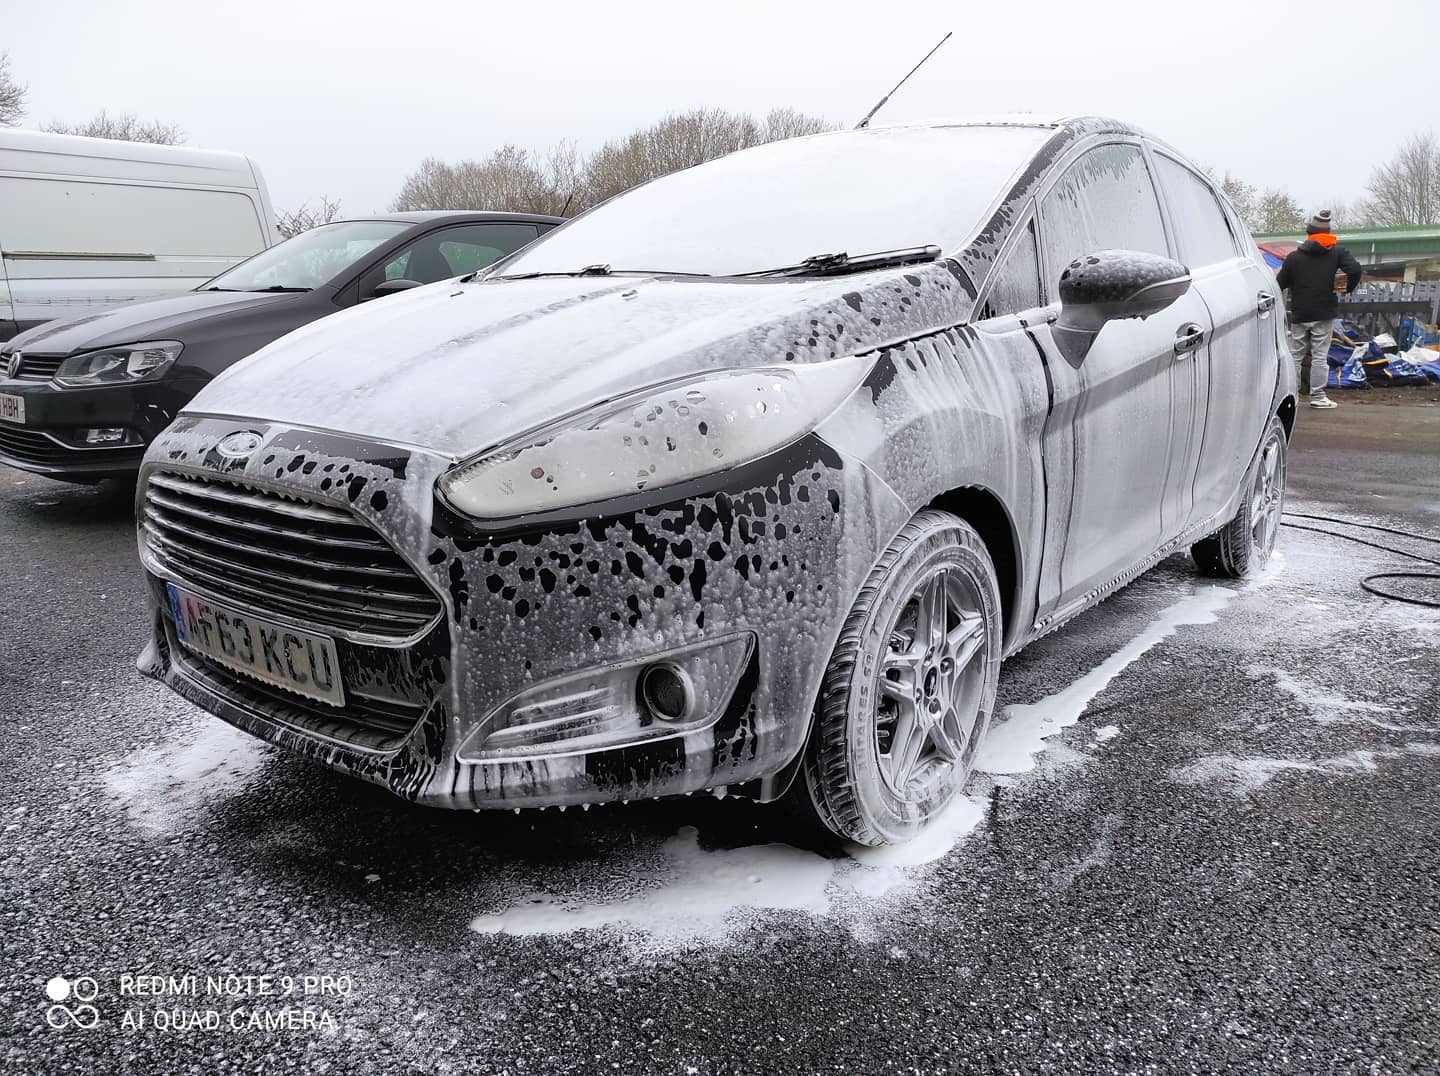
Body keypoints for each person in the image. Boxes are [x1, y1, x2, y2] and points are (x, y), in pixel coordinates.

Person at [1275, 209, 1363, 409]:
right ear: (1328, 232)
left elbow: (1278, 284)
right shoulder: (1337, 253)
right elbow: (1356, 269)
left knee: (1295, 356)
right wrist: (1347, 287)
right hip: (1324, 312)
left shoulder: (1294, 258)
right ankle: (1318, 396)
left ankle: (1292, 396)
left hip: (1299, 313)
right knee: (1319, 356)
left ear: (1309, 234)